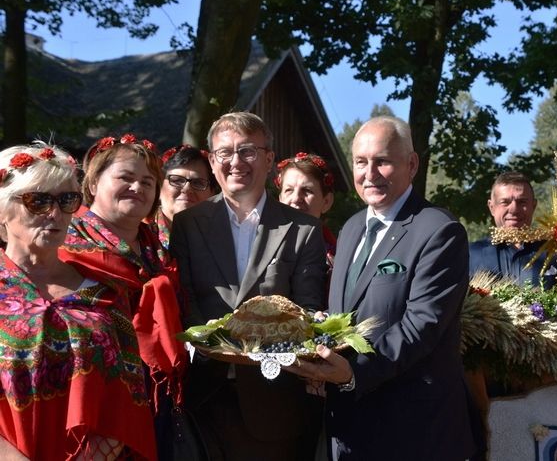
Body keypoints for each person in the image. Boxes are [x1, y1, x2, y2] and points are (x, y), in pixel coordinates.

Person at [286, 116, 477, 460]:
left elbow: (422, 324)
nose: (369, 173)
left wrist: (355, 371)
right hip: (349, 426)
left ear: (412, 164)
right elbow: (347, 316)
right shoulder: (351, 229)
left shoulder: (439, 230)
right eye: (361, 162)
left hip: (412, 431)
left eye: (382, 161)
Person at [170, 112, 327, 460]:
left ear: (269, 159)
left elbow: (307, 313)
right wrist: (213, 344)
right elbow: (185, 300)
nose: (235, 161)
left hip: (275, 404)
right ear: (212, 162)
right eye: (225, 153)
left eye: (248, 151)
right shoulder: (186, 225)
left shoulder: (302, 229)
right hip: (203, 400)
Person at [0, 143, 156, 460]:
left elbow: (128, 396)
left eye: (66, 200)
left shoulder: (106, 292)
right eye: (38, 200)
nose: (55, 213)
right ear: (2, 209)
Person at [60, 134, 186, 460]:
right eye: (125, 178)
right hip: (87, 403)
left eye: (147, 181)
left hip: (155, 402)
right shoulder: (62, 244)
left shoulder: (161, 252)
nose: (138, 188)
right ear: (92, 183)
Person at [469, 172, 557, 289]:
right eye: (505, 202)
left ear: (534, 206)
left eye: (522, 202)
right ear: (492, 207)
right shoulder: (470, 255)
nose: (514, 209)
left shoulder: (556, 254)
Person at [275, 151, 336, 275]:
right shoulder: (262, 244)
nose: (296, 198)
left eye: (307, 190)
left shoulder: (340, 256)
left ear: (326, 202)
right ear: (280, 199)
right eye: (289, 190)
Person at [147, 144, 215, 254]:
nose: (187, 189)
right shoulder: (138, 235)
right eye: (177, 180)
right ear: (158, 187)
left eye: (198, 183)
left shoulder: (223, 237)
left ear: (212, 193)